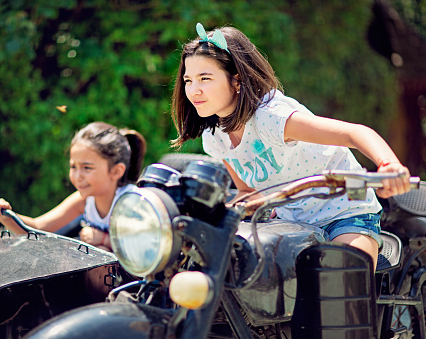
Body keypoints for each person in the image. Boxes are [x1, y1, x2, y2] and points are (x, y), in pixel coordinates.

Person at [170, 22, 411, 270]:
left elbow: (355, 133)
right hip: (292, 226)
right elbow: (247, 191)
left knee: (342, 283)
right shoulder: (215, 137)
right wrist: (235, 207)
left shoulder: (271, 117)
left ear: (237, 80)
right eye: (188, 80)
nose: (193, 90)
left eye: (205, 78)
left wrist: (388, 165)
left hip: (346, 214)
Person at [0, 122, 146, 252]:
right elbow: (36, 228)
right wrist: (4, 215)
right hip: (109, 279)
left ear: (116, 171)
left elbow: (146, 246)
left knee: (100, 249)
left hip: (134, 284)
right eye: (73, 167)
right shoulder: (85, 201)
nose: (77, 176)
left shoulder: (133, 202)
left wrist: (104, 239)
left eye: (87, 168)